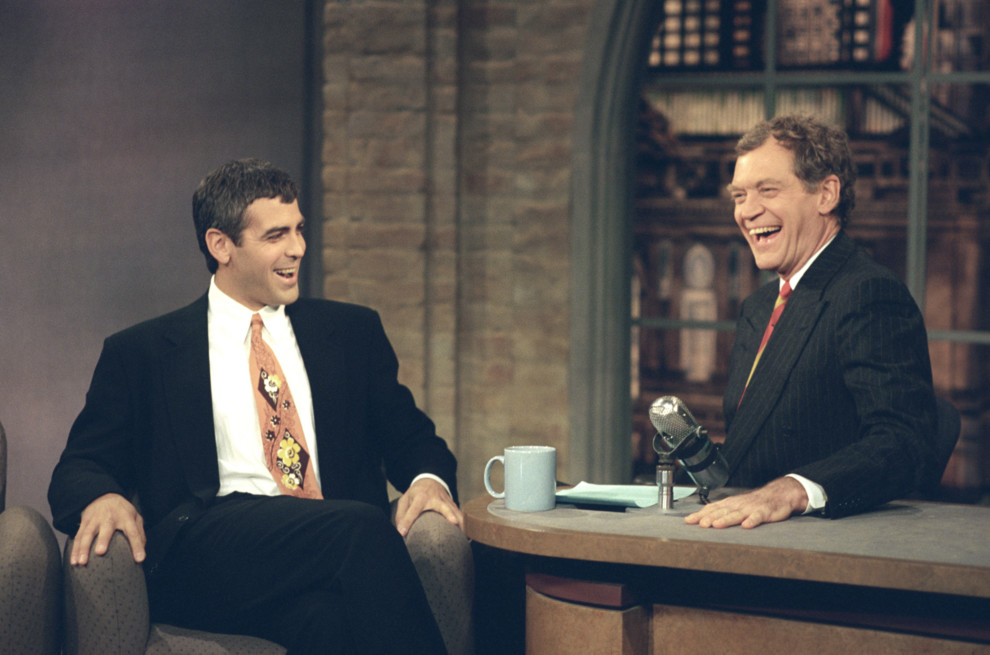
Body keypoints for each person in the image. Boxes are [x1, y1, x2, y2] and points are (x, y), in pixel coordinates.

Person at [48, 159, 462, 654]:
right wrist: (103, 496)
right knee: (361, 528)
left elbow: (415, 441)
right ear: (221, 245)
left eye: (299, 230)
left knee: (327, 623)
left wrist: (428, 481)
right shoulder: (144, 352)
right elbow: (78, 468)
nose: (298, 248)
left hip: (322, 548)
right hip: (209, 553)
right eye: (276, 236)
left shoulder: (352, 333)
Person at [685, 114, 938, 529]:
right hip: (742, 533)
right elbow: (751, 449)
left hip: (820, 544)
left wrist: (794, 490)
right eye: (739, 195)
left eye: (768, 190)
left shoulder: (868, 293)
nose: (747, 211)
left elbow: (903, 443)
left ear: (826, 194)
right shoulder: (758, 307)